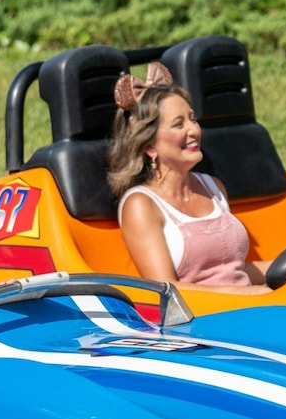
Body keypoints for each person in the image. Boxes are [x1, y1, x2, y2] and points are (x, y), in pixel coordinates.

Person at [107, 62, 267, 292]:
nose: (193, 130)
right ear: (149, 146)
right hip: (196, 320)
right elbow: (165, 289)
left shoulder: (213, 187)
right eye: (179, 124)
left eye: (192, 119)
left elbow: (234, 272)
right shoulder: (141, 205)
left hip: (249, 306)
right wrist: (244, 295)